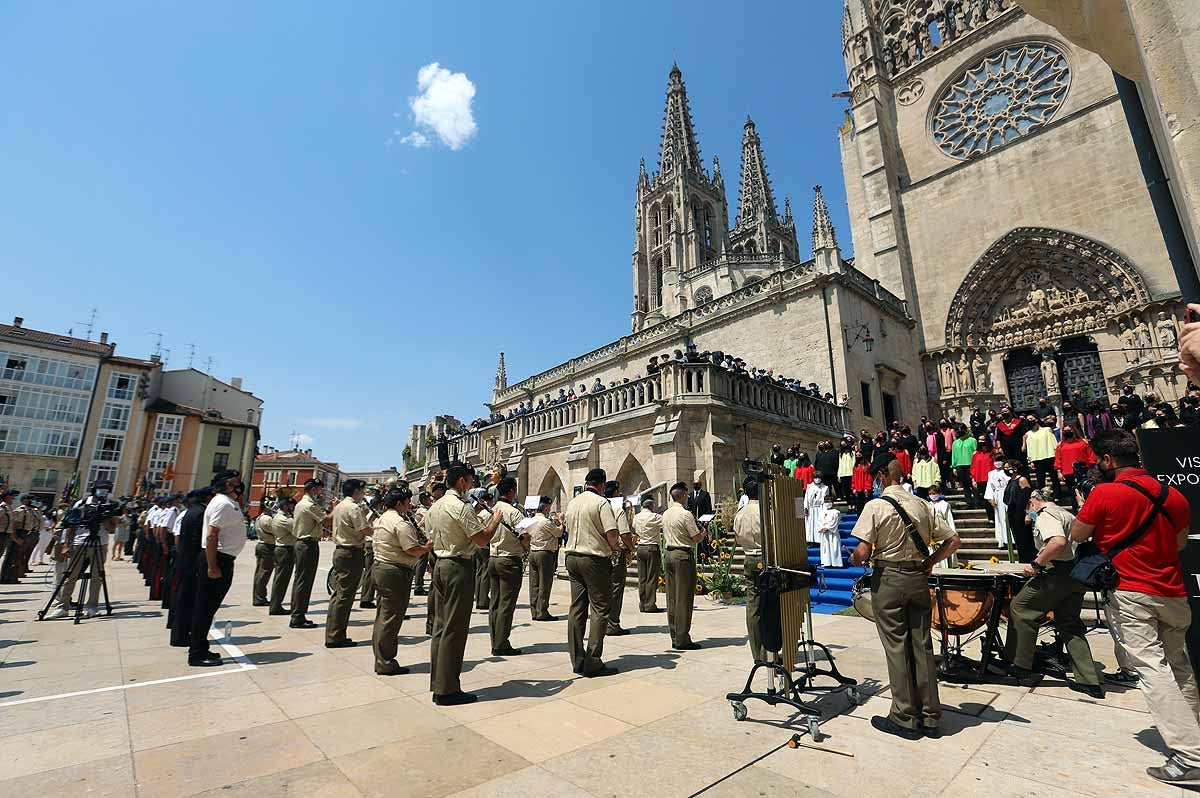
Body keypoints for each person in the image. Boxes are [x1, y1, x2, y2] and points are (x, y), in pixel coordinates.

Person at [1069, 429, 1200, 786]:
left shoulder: (1105, 492)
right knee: (1179, 665)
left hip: (1131, 591)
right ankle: (1195, 732)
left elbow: (1079, 534)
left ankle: (1190, 755)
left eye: (1098, 460)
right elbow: (1180, 541)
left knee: (1151, 668)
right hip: (1173, 591)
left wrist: (1087, 505)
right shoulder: (1172, 494)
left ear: (1108, 460)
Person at [850, 456, 959, 739]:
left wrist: (853, 558)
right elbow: (953, 541)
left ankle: (905, 716)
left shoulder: (875, 506)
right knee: (921, 644)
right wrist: (931, 561)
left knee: (897, 646)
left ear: (883, 476)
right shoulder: (922, 504)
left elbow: (862, 552)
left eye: (876, 477)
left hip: (889, 579)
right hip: (918, 577)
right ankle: (931, 716)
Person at [1001, 488, 1102, 696]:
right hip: (1075, 574)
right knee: (1070, 624)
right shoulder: (1066, 513)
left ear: (1032, 502)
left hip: (1056, 572)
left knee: (1020, 608)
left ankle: (1021, 667)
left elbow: (1057, 542)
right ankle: (1089, 680)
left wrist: (1037, 564)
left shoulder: (1046, 515)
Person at [427, 463, 503, 705]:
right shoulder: (460, 507)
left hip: (440, 563)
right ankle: (448, 688)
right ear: (461, 481)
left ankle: (439, 682)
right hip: (457, 566)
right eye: (470, 481)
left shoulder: (436, 506)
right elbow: (481, 540)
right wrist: (495, 521)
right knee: (455, 629)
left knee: (441, 626)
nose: (471, 485)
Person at [562, 468, 621, 676]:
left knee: (577, 608)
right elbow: (612, 533)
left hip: (571, 557)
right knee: (600, 608)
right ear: (602, 484)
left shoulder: (573, 502)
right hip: (594, 559)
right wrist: (616, 548)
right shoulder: (601, 502)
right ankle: (593, 660)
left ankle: (577, 659)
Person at [370, 487, 432, 675]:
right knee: (391, 618)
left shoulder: (381, 518)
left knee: (383, 615)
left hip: (381, 567)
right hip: (394, 571)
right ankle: (386, 661)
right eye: (407, 502)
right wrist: (426, 547)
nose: (410, 505)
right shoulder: (399, 522)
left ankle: (381, 658)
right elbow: (411, 549)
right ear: (399, 503)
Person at [189, 470, 246, 667]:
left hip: (223, 559)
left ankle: (202, 647)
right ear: (228, 485)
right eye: (235, 482)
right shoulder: (222, 503)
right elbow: (212, 536)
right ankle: (196, 653)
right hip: (217, 559)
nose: (239, 485)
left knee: (209, 607)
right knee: (205, 608)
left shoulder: (226, 502)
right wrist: (212, 566)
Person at [326, 479, 372, 648]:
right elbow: (364, 530)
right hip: (351, 551)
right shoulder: (353, 508)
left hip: (342, 551)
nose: (363, 494)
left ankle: (333, 632)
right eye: (361, 491)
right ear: (355, 491)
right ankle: (336, 635)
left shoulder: (340, 506)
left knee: (338, 594)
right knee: (345, 595)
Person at [167, 487, 215, 646]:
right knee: (188, 599)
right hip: (192, 562)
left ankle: (179, 633)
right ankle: (181, 635)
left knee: (183, 597)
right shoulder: (201, 513)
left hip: (185, 560)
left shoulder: (190, 511)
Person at [487, 478, 528, 656]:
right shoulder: (515, 513)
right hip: (509, 560)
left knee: (495, 602)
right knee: (506, 603)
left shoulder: (492, 510)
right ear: (511, 491)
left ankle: (495, 639)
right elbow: (525, 537)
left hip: (493, 557)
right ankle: (501, 643)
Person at [663, 481, 705, 651]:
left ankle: (674, 634)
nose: (688, 497)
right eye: (686, 495)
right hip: (682, 555)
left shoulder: (665, 513)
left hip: (668, 554)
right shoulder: (686, 514)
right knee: (684, 598)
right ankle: (682, 638)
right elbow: (695, 537)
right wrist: (703, 534)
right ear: (682, 496)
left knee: (672, 597)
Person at [290, 478, 329, 629]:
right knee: (304, 581)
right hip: (308, 544)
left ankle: (297, 614)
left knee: (301, 580)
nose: (321, 492)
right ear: (313, 490)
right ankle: (298, 616)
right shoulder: (310, 505)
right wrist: (336, 508)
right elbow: (326, 521)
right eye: (319, 489)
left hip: (303, 543)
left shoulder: (301, 503)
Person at [733, 478, 764, 662]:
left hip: (749, 558)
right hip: (765, 558)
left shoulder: (740, 514)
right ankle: (770, 648)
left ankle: (757, 652)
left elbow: (737, 539)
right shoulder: (766, 511)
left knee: (753, 606)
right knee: (769, 605)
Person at [604, 480, 635, 636]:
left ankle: (602, 622)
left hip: (600, 553)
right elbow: (624, 533)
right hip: (616, 552)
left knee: (603, 589)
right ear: (616, 492)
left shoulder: (599, 505)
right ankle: (613, 623)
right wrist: (631, 547)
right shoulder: (617, 509)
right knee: (616, 588)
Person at [526, 496, 559, 621]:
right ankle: (542, 611)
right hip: (544, 553)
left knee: (534, 583)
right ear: (545, 508)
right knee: (545, 583)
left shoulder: (531, 520)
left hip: (533, 551)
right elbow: (558, 533)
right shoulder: (545, 521)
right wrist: (560, 522)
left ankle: (534, 610)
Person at [632, 496, 664, 613]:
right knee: (651, 577)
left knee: (642, 578)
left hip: (640, 547)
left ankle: (642, 602)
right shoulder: (655, 516)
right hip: (652, 547)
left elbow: (634, 528)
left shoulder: (637, 517)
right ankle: (650, 604)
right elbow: (663, 524)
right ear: (651, 506)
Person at [1055, 426, 1095, 511]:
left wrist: (1090, 468)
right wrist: (1059, 471)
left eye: (1069, 430)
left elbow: (1091, 456)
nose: (1067, 432)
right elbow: (1058, 459)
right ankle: (1076, 510)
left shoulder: (1083, 443)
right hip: (1068, 472)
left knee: (1085, 492)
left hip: (1083, 472)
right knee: (1073, 493)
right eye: (1065, 431)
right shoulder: (1061, 445)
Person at [269, 496, 296, 615]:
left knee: (280, 579)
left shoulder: (278, 517)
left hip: (281, 548)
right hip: (285, 549)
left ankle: (276, 605)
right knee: (281, 580)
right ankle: (275, 606)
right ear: (285, 506)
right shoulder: (285, 519)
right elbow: (297, 529)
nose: (293, 508)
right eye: (291, 506)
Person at [1024, 415, 1060, 499]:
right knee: (1040, 480)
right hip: (1037, 459)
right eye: (1028, 419)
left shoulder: (1047, 429)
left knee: (1054, 478)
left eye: (1031, 418)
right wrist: (1030, 460)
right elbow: (1029, 448)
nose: (1030, 420)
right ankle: (1042, 496)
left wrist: (1056, 454)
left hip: (1050, 456)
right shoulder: (1028, 434)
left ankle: (1057, 496)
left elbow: (1054, 443)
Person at [1004, 462, 1035, 562]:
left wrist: (1028, 514)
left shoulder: (1022, 480)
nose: (1006, 470)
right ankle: (1023, 560)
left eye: (1008, 467)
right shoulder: (1010, 481)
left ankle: (1030, 561)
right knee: (1018, 540)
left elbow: (1029, 498)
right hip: (1013, 513)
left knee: (1025, 539)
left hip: (1022, 512)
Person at [250, 500, 276, 606]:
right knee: (264, 573)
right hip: (268, 545)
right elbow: (276, 530)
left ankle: (258, 596)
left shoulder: (260, 517)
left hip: (262, 544)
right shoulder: (267, 519)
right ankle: (260, 597)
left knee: (259, 573)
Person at [985, 455, 1012, 549]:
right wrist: (990, 499)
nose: (997, 462)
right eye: (996, 460)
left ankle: (1012, 540)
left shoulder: (1007, 471)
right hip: (998, 496)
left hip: (1008, 494)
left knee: (1009, 518)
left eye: (999, 460)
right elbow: (989, 486)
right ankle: (1003, 540)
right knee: (1001, 519)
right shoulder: (991, 473)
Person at [927, 484, 957, 568]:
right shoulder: (927, 505)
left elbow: (949, 519)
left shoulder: (945, 505)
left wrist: (952, 533)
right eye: (930, 494)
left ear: (939, 493)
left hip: (942, 529)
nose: (932, 495)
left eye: (934, 493)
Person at [412, 490, 434, 596]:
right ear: (423, 500)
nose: (430, 500)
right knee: (422, 563)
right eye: (428, 499)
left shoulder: (427, 509)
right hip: (423, 538)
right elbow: (424, 521)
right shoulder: (422, 510)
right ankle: (418, 586)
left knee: (424, 562)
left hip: (426, 537)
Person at [951, 426, 977, 508]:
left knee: (973, 484)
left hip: (970, 464)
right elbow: (953, 455)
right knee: (965, 485)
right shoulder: (955, 443)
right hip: (959, 465)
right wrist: (954, 466)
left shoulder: (972, 440)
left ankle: (977, 502)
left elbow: (976, 453)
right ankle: (969, 502)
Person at [970, 439, 995, 522]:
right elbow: (973, 467)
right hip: (980, 479)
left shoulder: (993, 452)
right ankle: (990, 518)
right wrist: (973, 479)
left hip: (991, 479)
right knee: (986, 499)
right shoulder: (976, 454)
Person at [816, 495, 843, 568]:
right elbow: (819, 521)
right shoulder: (821, 512)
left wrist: (827, 527)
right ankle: (827, 562)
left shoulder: (836, 512)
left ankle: (836, 563)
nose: (827, 503)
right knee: (826, 548)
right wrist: (822, 528)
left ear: (832, 502)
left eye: (829, 501)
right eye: (826, 501)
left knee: (834, 547)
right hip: (824, 533)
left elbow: (835, 522)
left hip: (832, 533)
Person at [803, 474, 829, 545]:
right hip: (811, 508)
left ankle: (819, 540)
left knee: (819, 523)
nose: (817, 479)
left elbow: (826, 500)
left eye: (819, 477)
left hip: (820, 508)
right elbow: (806, 498)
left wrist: (825, 511)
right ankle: (810, 540)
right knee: (810, 525)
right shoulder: (809, 486)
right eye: (815, 477)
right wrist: (805, 507)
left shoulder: (825, 487)